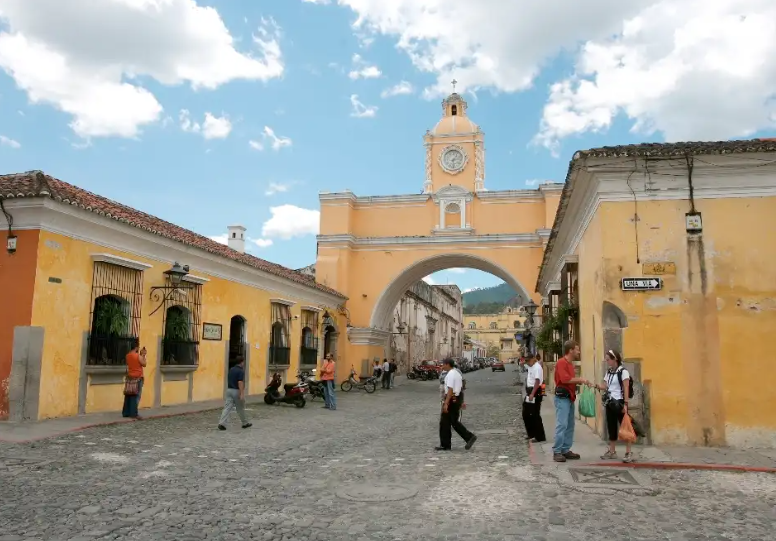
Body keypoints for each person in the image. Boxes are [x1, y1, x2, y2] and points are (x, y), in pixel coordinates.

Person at [552, 340, 590, 462]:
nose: (579, 351)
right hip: (562, 398)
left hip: (569, 397)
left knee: (570, 425)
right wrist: (581, 379)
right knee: (562, 424)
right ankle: (557, 451)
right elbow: (565, 379)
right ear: (571, 350)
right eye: (577, 349)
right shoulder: (561, 363)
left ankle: (565, 449)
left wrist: (579, 381)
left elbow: (570, 380)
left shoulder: (570, 364)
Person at [594, 349, 634, 463]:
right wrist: (596, 386)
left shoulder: (623, 372)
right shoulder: (609, 372)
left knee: (625, 426)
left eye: (608, 359)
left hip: (620, 402)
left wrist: (626, 404)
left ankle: (628, 452)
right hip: (610, 402)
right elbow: (606, 386)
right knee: (611, 426)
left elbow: (626, 388)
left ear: (615, 359)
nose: (607, 362)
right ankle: (612, 451)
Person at [435, 359, 477, 452]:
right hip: (456, 398)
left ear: (447, 364)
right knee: (450, 422)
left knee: (447, 422)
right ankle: (446, 444)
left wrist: (446, 403)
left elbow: (450, 389)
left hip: (452, 399)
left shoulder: (451, 374)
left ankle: (469, 437)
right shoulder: (456, 373)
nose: (442, 366)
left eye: (443, 364)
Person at [218, 355, 252, 430]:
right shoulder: (240, 371)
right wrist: (242, 393)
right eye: (243, 362)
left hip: (229, 390)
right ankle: (244, 423)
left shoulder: (231, 369)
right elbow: (240, 382)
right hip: (236, 391)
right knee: (240, 408)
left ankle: (222, 423)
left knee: (227, 408)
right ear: (242, 362)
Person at [522, 353, 546, 442]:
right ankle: (531, 434)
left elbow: (537, 381)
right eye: (526, 361)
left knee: (535, 414)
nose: (527, 362)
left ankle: (539, 436)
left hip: (535, 392)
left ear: (533, 359)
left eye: (528, 360)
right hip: (529, 392)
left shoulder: (537, 367)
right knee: (526, 414)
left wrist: (532, 393)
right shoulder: (530, 366)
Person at [122, 343, 146, 419]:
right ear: (136, 348)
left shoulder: (127, 355)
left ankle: (126, 412)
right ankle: (134, 413)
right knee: (136, 395)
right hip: (138, 377)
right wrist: (143, 355)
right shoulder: (137, 356)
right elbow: (144, 364)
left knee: (129, 395)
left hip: (130, 377)